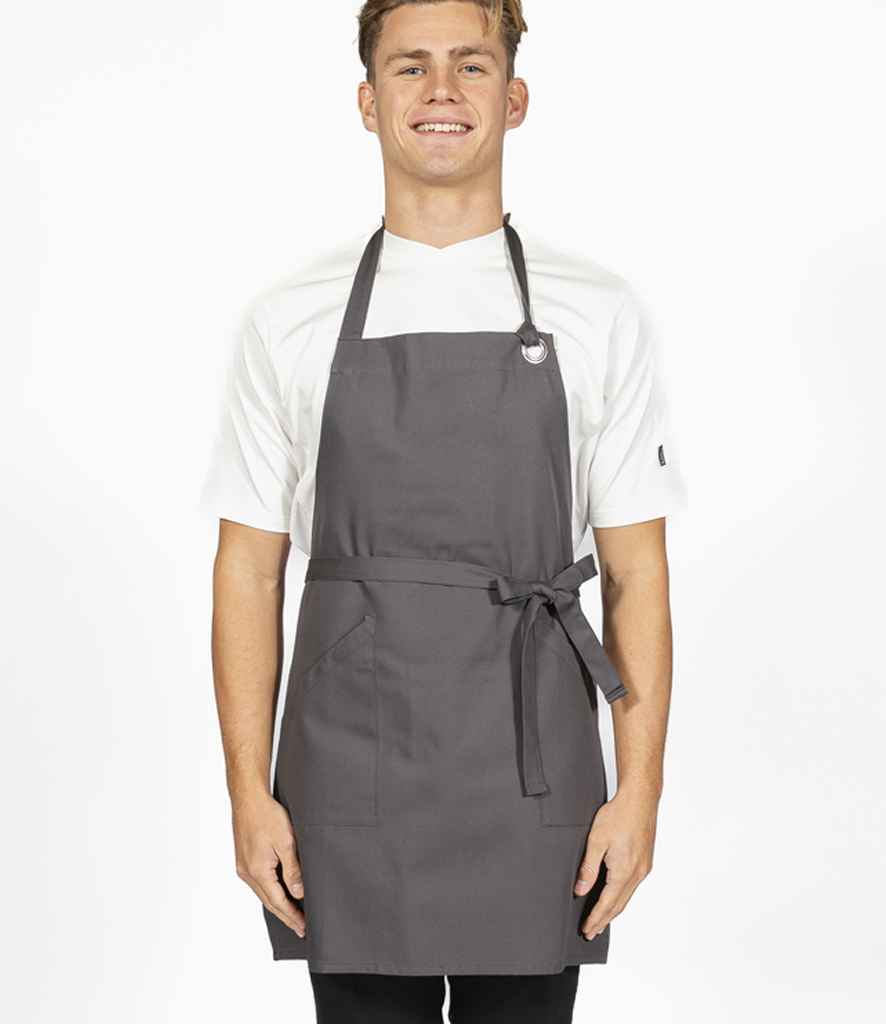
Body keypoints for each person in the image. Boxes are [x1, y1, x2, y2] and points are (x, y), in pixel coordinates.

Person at [201, 1, 687, 1020]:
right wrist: (248, 791)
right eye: (410, 66)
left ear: (514, 98)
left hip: (534, 768)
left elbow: (636, 571)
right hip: (350, 770)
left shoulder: (597, 311)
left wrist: (638, 791)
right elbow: (247, 567)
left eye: (470, 65)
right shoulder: (288, 319)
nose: (440, 91)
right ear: (366, 100)